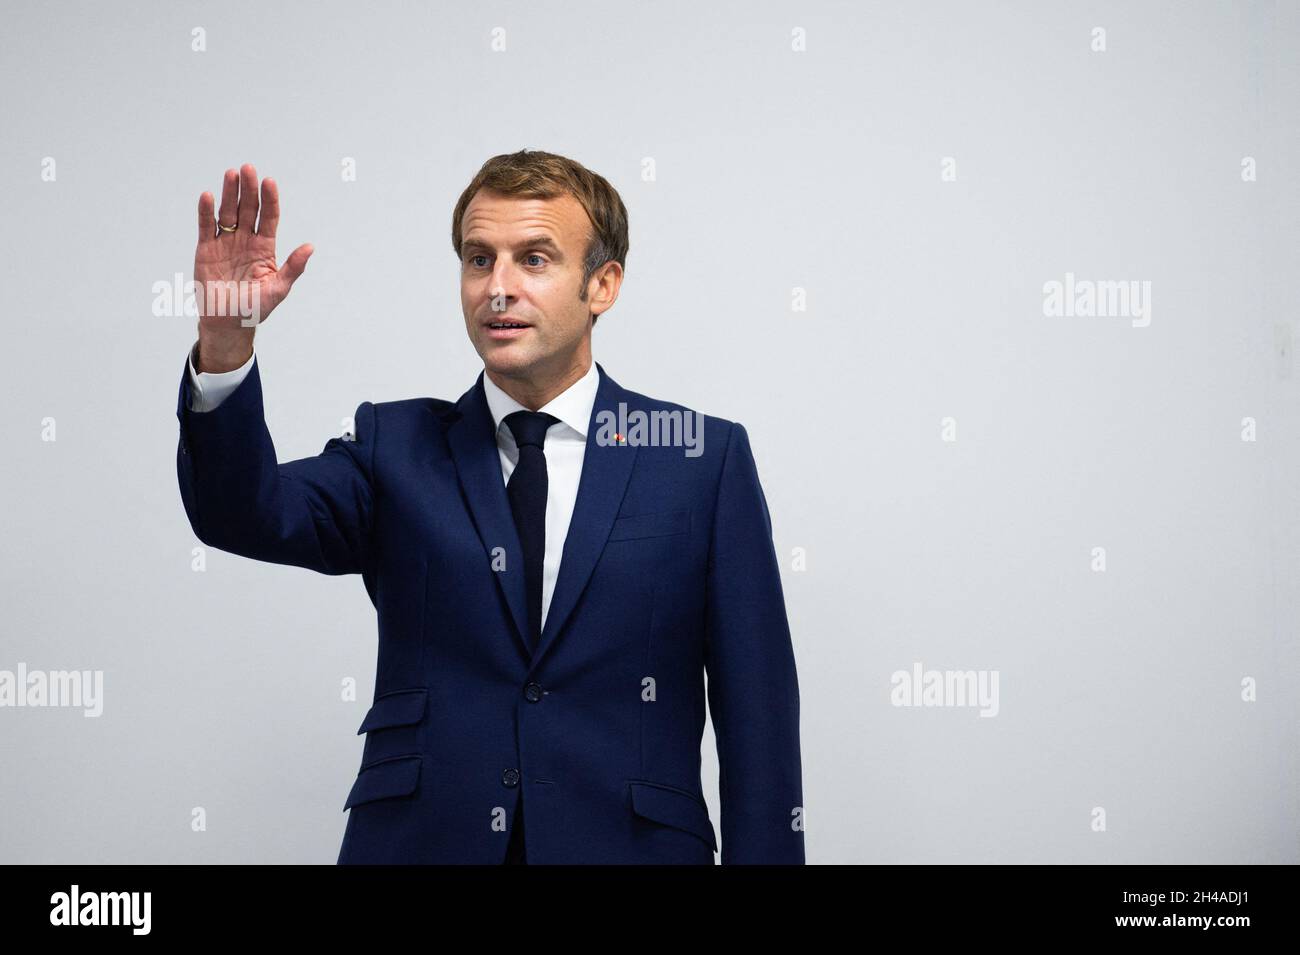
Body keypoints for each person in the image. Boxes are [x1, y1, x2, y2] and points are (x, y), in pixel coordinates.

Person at [174, 150, 805, 864]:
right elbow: (243, 512)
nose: (497, 288)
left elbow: (760, 719)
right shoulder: (396, 446)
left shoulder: (699, 458)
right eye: (479, 260)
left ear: (603, 284)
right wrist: (226, 343)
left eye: (534, 259)